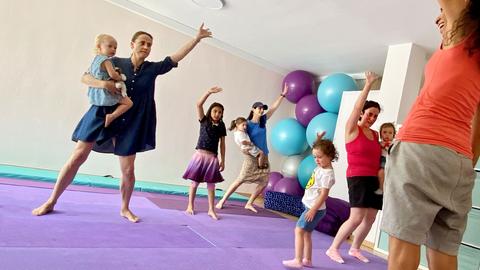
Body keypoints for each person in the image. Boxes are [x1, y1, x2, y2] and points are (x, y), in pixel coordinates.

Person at [31, 24, 213, 223]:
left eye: (149, 44)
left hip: (132, 121)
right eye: (142, 42)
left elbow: (175, 57)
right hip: (102, 113)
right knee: (77, 156)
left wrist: (196, 39)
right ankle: (51, 201)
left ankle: (125, 208)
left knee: (128, 170)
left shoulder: (152, 69)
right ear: (132, 44)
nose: (146, 46)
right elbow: (85, 77)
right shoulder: (113, 61)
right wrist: (104, 84)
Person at [382, 1, 480, 269]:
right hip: (458, 164)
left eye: (444, 13)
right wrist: (465, 165)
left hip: (420, 149)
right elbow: (478, 121)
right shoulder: (470, 51)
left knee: (403, 244)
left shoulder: (465, 31)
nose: (440, 16)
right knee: (444, 253)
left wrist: (452, 23)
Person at [326, 71, 381, 264]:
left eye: (375, 116)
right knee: (356, 217)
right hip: (357, 177)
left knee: (371, 217)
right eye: (369, 114)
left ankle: (355, 248)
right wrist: (368, 84)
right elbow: (357, 105)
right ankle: (333, 248)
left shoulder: (375, 135)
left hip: (374, 179)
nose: (372, 118)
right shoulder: (352, 128)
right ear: (362, 113)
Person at [216, 84, 289, 213]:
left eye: (262, 109)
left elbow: (272, 108)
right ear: (253, 109)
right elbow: (239, 137)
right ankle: (222, 201)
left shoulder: (263, 121)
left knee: (264, 182)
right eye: (259, 108)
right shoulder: (246, 124)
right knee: (240, 180)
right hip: (252, 156)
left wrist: (282, 95)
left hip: (264, 155)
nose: (261, 110)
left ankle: (249, 203)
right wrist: (242, 149)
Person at [282, 133, 338, 269]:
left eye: (319, 157)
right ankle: (307, 260)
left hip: (314, 209)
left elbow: (324, 194)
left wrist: (312, 210)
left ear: (330, 157)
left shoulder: (327, 174)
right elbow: (319, 150)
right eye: (315, 157)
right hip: (312, 207)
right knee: (307, 233)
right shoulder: (322, 166)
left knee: (299, 230)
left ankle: (298, 260)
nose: (316, 160)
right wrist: (318, 140)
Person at [183, 87, 226, 220]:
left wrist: (223, 160)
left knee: (211, 185)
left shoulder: (222, 126)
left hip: (212, 157)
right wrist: (208, 92)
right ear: (210, 111)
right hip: (200, 155)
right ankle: (190, 205)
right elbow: (198, 104)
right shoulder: (204, 120)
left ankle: (211, 209)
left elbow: (222, 144)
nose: (217, 114)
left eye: (220, 112)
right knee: (195, 182)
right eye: (215, 111)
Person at [87, 34, 133, 128]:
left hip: (96, 90)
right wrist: (120, 77)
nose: (113, 49)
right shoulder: (107, 61)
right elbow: (112, 74)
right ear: (99, 47)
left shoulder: (95, 60)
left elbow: (90, 74)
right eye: (110, 46)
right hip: (106, 90)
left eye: (115, 48)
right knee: (129, 103)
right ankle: (112, 116)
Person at [374, 122, 396, 195]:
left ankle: (382, 188)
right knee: (380, 173)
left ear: (393, 135)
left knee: (382, 173)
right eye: (384, 132)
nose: (387, 135)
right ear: (380, 134)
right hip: (380, 159)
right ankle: (381, 187)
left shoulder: (394, 143)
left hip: (389, 160)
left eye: (390, 133)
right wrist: (380, 145)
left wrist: (387, 146)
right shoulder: (379, 143)